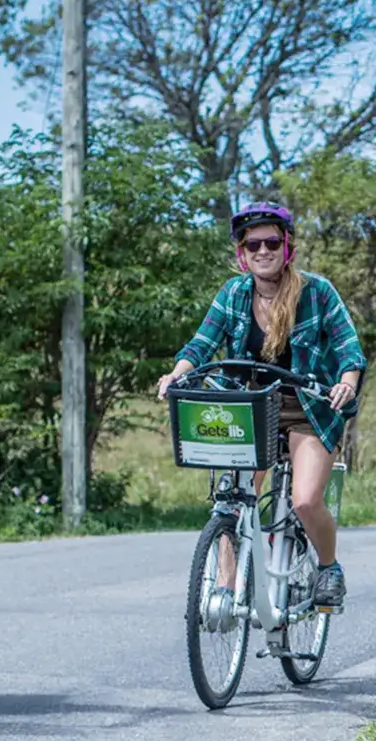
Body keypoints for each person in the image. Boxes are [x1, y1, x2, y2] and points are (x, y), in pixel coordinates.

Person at [156, 201, 364, 611]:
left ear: (288, 247)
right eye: (253, 245)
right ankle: (226, 591)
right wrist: (176, 374)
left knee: (305, 501)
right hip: (250, 409)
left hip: (308, 409)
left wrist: (346, 383)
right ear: (242, 253)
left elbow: (348, 349)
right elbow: (201, 344)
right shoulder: (234, 294)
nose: (263, 251)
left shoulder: (317, 292)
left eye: (271, 242)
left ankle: (328, 568)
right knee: (232, 498)